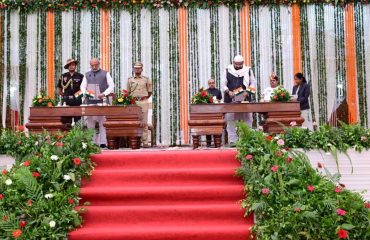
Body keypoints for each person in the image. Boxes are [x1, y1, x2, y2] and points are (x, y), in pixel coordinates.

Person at [221, 55, 256, 144]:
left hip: (245, 99)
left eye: (240, 64)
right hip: (231, 99)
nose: (238, 66)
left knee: (247, 119)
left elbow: (253, 83)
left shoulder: (248, 70)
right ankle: (233, 141)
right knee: (231, 120)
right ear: (233, 63)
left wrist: (247, 92)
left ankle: (246, 141)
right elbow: (223, 84)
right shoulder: (227, 70)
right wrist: (228, 92)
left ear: (243, 63)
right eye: (236, 64)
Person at [80, 58, 114, 148]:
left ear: (99, 64)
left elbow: (111, 85)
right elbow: (82, 86)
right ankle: (92, 143)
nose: (94, 67)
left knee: (103, 123)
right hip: (90, 102)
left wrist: (104, 94)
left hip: (102, 102)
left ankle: (103, 143)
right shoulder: (86, 74)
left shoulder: (105, 73)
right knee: (90, 123)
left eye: (96, 65)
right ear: (90, 65)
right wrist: (86, 93)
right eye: (92, 65)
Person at [127, 62, 152, 148]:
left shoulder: (146, 79)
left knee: (144, 122)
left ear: (142, 69)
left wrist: (143, 98)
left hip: (143, 101)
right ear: (133, 69)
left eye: (139, 68)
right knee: (134, 122)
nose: (137, 69)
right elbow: (128, 92)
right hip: (134, 102)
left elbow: (149, 92)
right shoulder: (130, 80)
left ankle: (145, 142)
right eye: (135, 68)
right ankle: (134, 142)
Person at [57, 59, 84, 124]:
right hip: (67, 100)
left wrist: (75, 96)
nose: (71, 66)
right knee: (66, 121)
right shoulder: (63, 76)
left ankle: (77, 133)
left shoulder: (80, 76)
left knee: (78, 121)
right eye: (69, 65)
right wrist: (66, 96)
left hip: (77, 100)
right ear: (67, 67)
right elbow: (60, 89)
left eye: (73, 65)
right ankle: (66, 133)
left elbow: (83, 88)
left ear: (75, 66)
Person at [206, 78, 222, 147]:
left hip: (216, 112)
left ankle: (217, 142)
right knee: (208, 127)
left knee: (216, 127)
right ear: (208, 84)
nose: (211, 84)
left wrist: (218, 101)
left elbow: (220, 101)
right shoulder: (205, 92)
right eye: (210, 83)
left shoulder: (218, 91)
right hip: (208, 112)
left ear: (214, 83)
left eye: (213, 82)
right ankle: (208, 143)